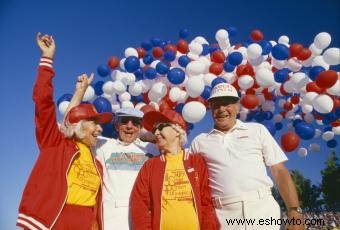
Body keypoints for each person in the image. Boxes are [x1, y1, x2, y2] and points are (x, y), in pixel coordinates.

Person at [17, 33, 113, 230]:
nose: (100, 129)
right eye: (94, 123)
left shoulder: (97, 163)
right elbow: (43, 103)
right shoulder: (56, 144)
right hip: (54, 222)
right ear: (79, 127)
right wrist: (47, 59)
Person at [189, 83, 304, 230]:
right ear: (210, 108)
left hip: (264, 211)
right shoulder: (199, 142)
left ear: (237, 106)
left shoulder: (257, 130)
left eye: (226, 103)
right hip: (223, 218)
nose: (221, 109)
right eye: (216, 105)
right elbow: (191, 182)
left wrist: (295, 211)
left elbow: (279, 170)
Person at [64, 77, 159, 229]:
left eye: (135, 123)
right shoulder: (103, 144)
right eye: (124, 121)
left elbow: (175, 140)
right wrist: (80, 92)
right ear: (116, 125)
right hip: (109, 219)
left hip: (142, 218)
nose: (129, 126)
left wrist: (152, 135)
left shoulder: (151, 149)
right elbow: (70, 125)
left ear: (140, 127)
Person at [130, 110, 220, 230]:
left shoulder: (197, 162)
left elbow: (207, 203)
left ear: (178, 131)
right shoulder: (150, 166)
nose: (156, 133)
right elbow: (139, 205)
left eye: (160, 127)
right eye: (154, 130)